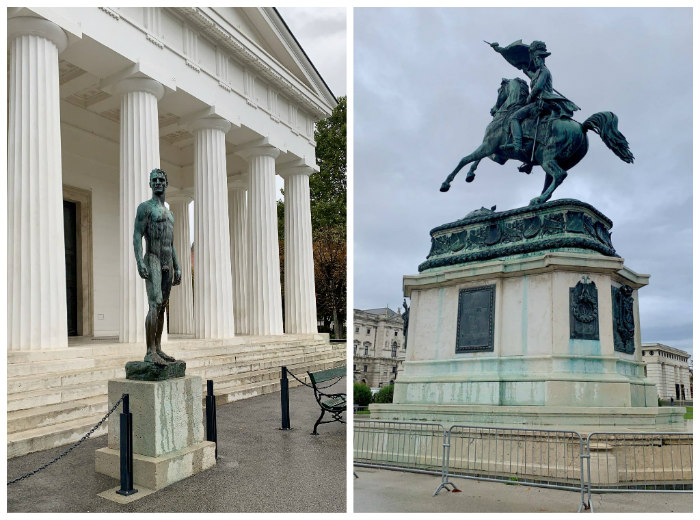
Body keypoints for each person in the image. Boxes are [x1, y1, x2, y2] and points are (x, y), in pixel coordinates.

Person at [494, 41, 580, 157]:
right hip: (540, 101)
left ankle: (517, 145)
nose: (535, 61)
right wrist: (524, 68)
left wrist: (529, 99)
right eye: (534, 59)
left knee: (514, 117)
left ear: (540, 58)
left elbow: (537, 88)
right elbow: (532, 77)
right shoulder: (539, 72)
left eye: (536, 59)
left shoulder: (544, 71)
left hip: (542, 102)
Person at [133, 168, 182, 365]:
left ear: (166, 183)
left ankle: (159, 348)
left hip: (167, 262)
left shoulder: (170, 213)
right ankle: (149, 351)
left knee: (162, 307)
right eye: (155, 180)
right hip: (152, 257)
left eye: (162, 179)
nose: (158, 182)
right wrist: (139, 261)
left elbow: (171, 243)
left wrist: (177, 266)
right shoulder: (145, 208)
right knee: (154, 304)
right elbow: (137, 235)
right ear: (150, 184)